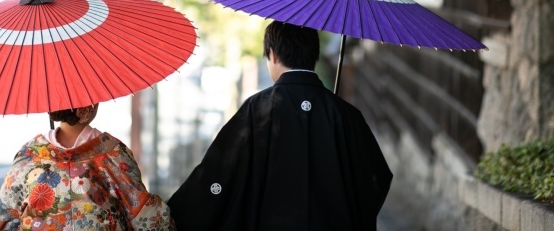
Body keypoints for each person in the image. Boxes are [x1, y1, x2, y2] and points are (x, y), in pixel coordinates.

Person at [167, 21, 393, 230]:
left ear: (272, 55)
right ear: (314, 55)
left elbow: (219, 173)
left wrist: (172, 215)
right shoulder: (346, 114)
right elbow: (377, 176)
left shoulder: (258, 109)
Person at [0, 103, 175, 231]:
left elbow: (4, 213)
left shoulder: (30, 155)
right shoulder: (112, 154)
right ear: (91, 107)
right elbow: (143, 212)